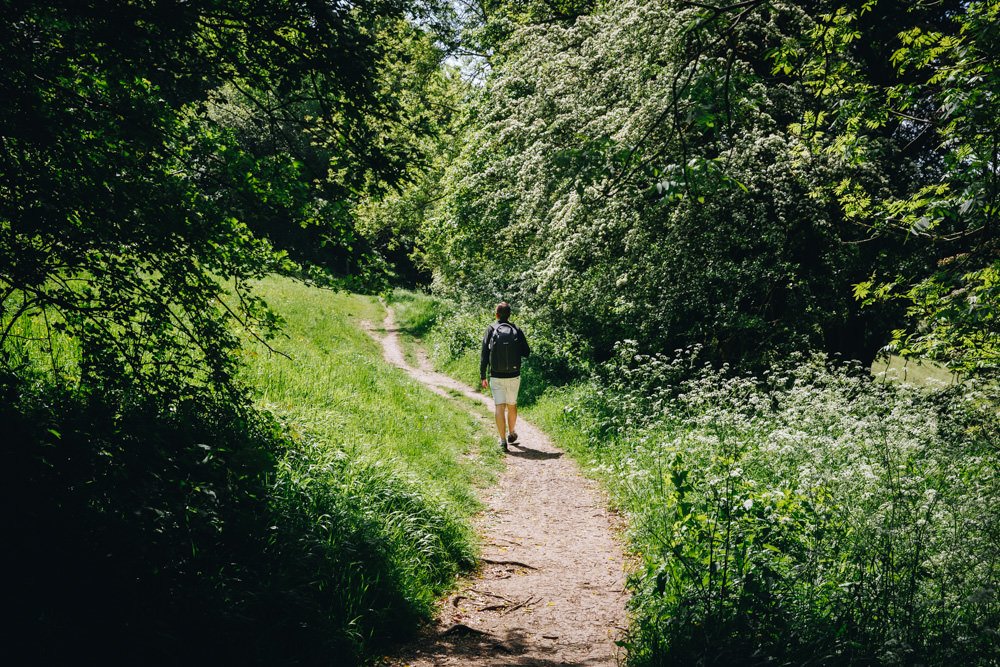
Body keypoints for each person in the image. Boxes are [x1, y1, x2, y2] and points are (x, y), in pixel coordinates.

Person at [480, 301, 530, 452]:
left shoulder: (491, 329)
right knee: (512, 404)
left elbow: (484, 354)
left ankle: (502, 441)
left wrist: (483, 375)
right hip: (514, 375)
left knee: (499, 406)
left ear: (496, 315)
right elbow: (526, 352)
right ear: (509, 315)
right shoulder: (516, 329)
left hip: (496, 375)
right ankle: (512, 432)